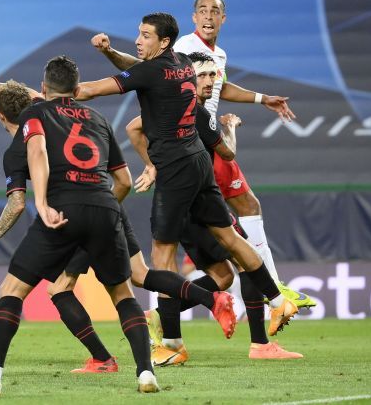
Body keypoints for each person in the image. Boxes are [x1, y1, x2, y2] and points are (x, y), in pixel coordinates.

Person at [0, 79, 235, 375]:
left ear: (1, 116)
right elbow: (36, 92)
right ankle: (211, 298)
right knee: (139, 276)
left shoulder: (21, 144)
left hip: (72, 217)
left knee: (59, 289)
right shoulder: (48, 111)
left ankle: (101, 359)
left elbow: (17, 203)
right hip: (108, 208)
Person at [75, 13, 299, 341]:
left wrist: (55, 94)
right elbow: (137, 65)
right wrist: (111, 52)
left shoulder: (153, 71)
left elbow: (93, 90)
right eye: (139, 34)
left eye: (145, 35)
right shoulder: (180, 61)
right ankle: (279, 302)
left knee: (162, 253)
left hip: (176, 170)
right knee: (231, 238)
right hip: (198, 162)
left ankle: (171, 343)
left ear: (163, 41)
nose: (138, 40)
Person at [0, 57, 158, 396]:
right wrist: (102, 206)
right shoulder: (98, 118)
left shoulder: (35, 114)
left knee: (12, 290)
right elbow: (123, 180)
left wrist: (43, 203)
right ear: (76, 87)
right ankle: (145, 375)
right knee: (123, 294)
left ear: (43, 87)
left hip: (61, 210)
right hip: (105, 206)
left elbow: (37, 151)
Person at [130, 53, 303, 362]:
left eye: (213, 75)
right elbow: (135, 127)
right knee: (231, 255)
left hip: (198, 199)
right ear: (185, 78)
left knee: (224, 274)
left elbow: (136, 128)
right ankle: (259, 336)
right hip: (188, 205)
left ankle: (165, 326)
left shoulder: (194, 111)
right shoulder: (183, 110)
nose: (211, 81)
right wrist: (152, 165)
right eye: (203, 75)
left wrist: (154, 164)